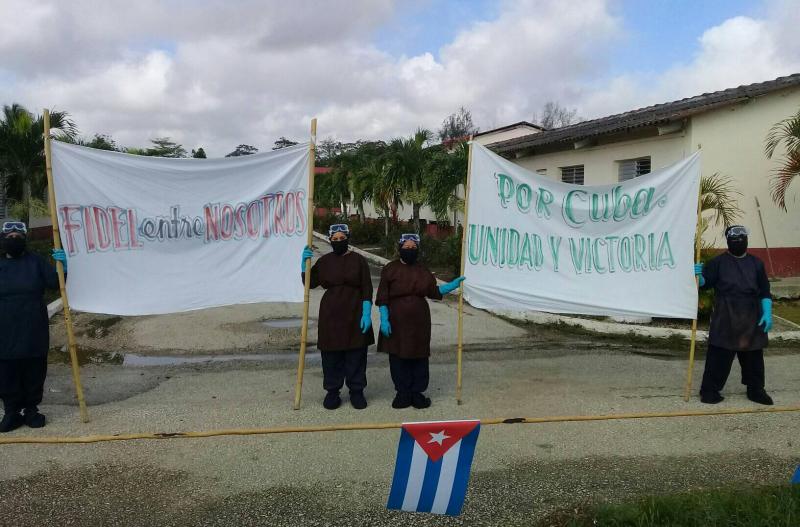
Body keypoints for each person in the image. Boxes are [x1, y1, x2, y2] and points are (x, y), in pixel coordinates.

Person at [376, 233, 465, 409]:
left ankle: (417, 393)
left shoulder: (422, 270)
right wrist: (384, 318)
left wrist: (452, 285)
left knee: (419, 356)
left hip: (419, 321)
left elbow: (434, 291)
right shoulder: (390, 269)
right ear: (399, 248)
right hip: (396, 320)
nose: (410, 250)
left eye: (413, 248)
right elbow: (382, 296)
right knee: (398, 357)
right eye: (407, 247)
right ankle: (402, 393)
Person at [695, 225, 773, 405]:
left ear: (747, 239)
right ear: (728, 240)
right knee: (718, 356)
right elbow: (705, 284)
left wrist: (767, 313)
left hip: (752, 317)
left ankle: (756, 389)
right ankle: (709, 390)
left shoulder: (757, 264)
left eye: (742, 236)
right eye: (733, 236)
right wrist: (699, 276)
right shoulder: (717, 263)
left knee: (753, 358)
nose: (738, 239)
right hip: (725, 316)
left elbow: (764, 292)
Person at [0, 221, 67, 432]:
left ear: (25, 239)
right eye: (9, 237)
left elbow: (56, 284)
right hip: (4, 331)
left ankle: (31, 410)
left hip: (33, 329)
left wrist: (63, 268)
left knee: (34, 370)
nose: (13, 240)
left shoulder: (36, 262)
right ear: (2, 239)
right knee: (6, 372)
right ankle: (11, 412)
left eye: (17, 236)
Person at [301, 224, 374, 410]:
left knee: (356, 353)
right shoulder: (324, 261)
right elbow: (310, 283)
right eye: (335, 239)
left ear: (348, 239)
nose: (339, 242)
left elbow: (367, 287)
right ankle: (332, 391)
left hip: (355, 310)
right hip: (330, 314)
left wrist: (366, 312)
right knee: (331, 355)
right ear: (330, 240)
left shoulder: (359, 260)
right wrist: (305, 266)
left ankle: (357, 391)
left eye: (342, 238)